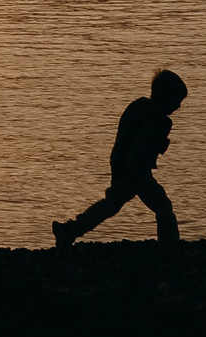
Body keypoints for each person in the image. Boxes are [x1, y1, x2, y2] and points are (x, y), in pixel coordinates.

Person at [53, 68, 188, 247]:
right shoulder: (157, 120)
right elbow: (139, 146)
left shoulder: (138, 106)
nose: (178, 106)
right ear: (166, 98)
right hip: (136, 171)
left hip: (121, 165)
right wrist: (135, 171)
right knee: (162, 206)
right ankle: (170, 244)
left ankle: (70, 230)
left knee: (112, 204)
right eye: (177, 101)